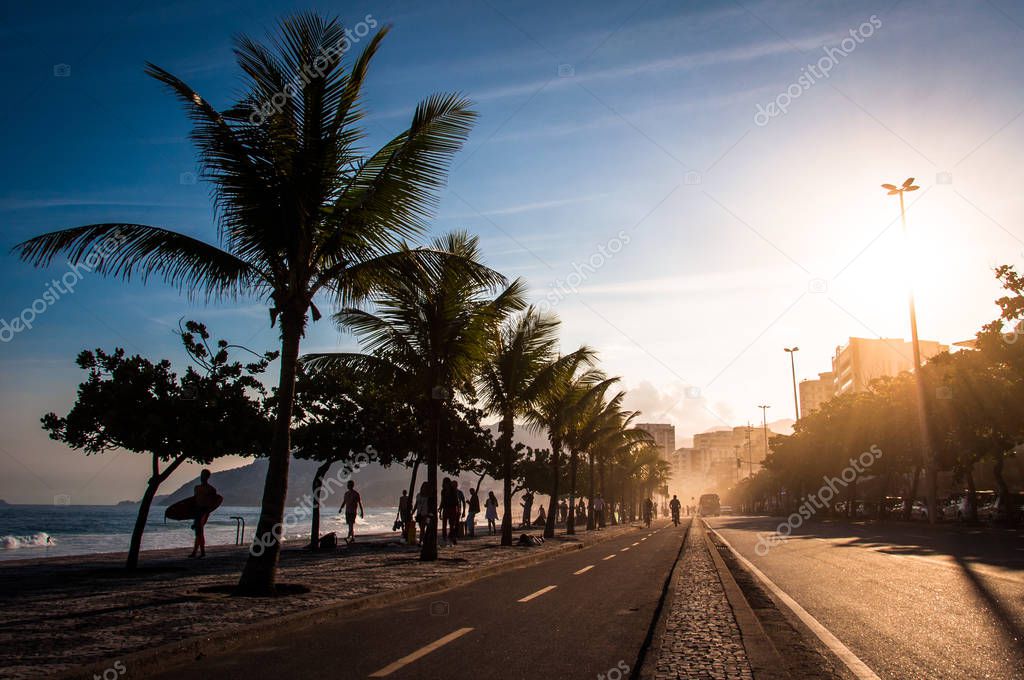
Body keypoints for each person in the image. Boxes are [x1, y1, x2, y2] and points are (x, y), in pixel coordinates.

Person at [189, 469, 217, 558]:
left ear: (208, 477)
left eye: (204, 475)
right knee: (198, 532)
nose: (202, 477)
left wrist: (207, 512)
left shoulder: (211, 489)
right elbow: (195, 501)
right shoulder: (196, 488)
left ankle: (200, 552)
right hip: (197, 512)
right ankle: (199, 551)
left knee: (199, 531)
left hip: (205, 511)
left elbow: (213, 503)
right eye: (201, 475)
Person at [440, 478, 460, 546]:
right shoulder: (443, 491)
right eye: (445, 483)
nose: (446, 484)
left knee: (452, 525)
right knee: (444, 524)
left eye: (447, 483)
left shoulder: (453, 490)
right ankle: (445, 538)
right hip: (446, 508)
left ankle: (452, 538)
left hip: (452, 508)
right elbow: (442, 500)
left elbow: (456, 500)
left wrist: (458, 509)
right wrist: (440, 508)